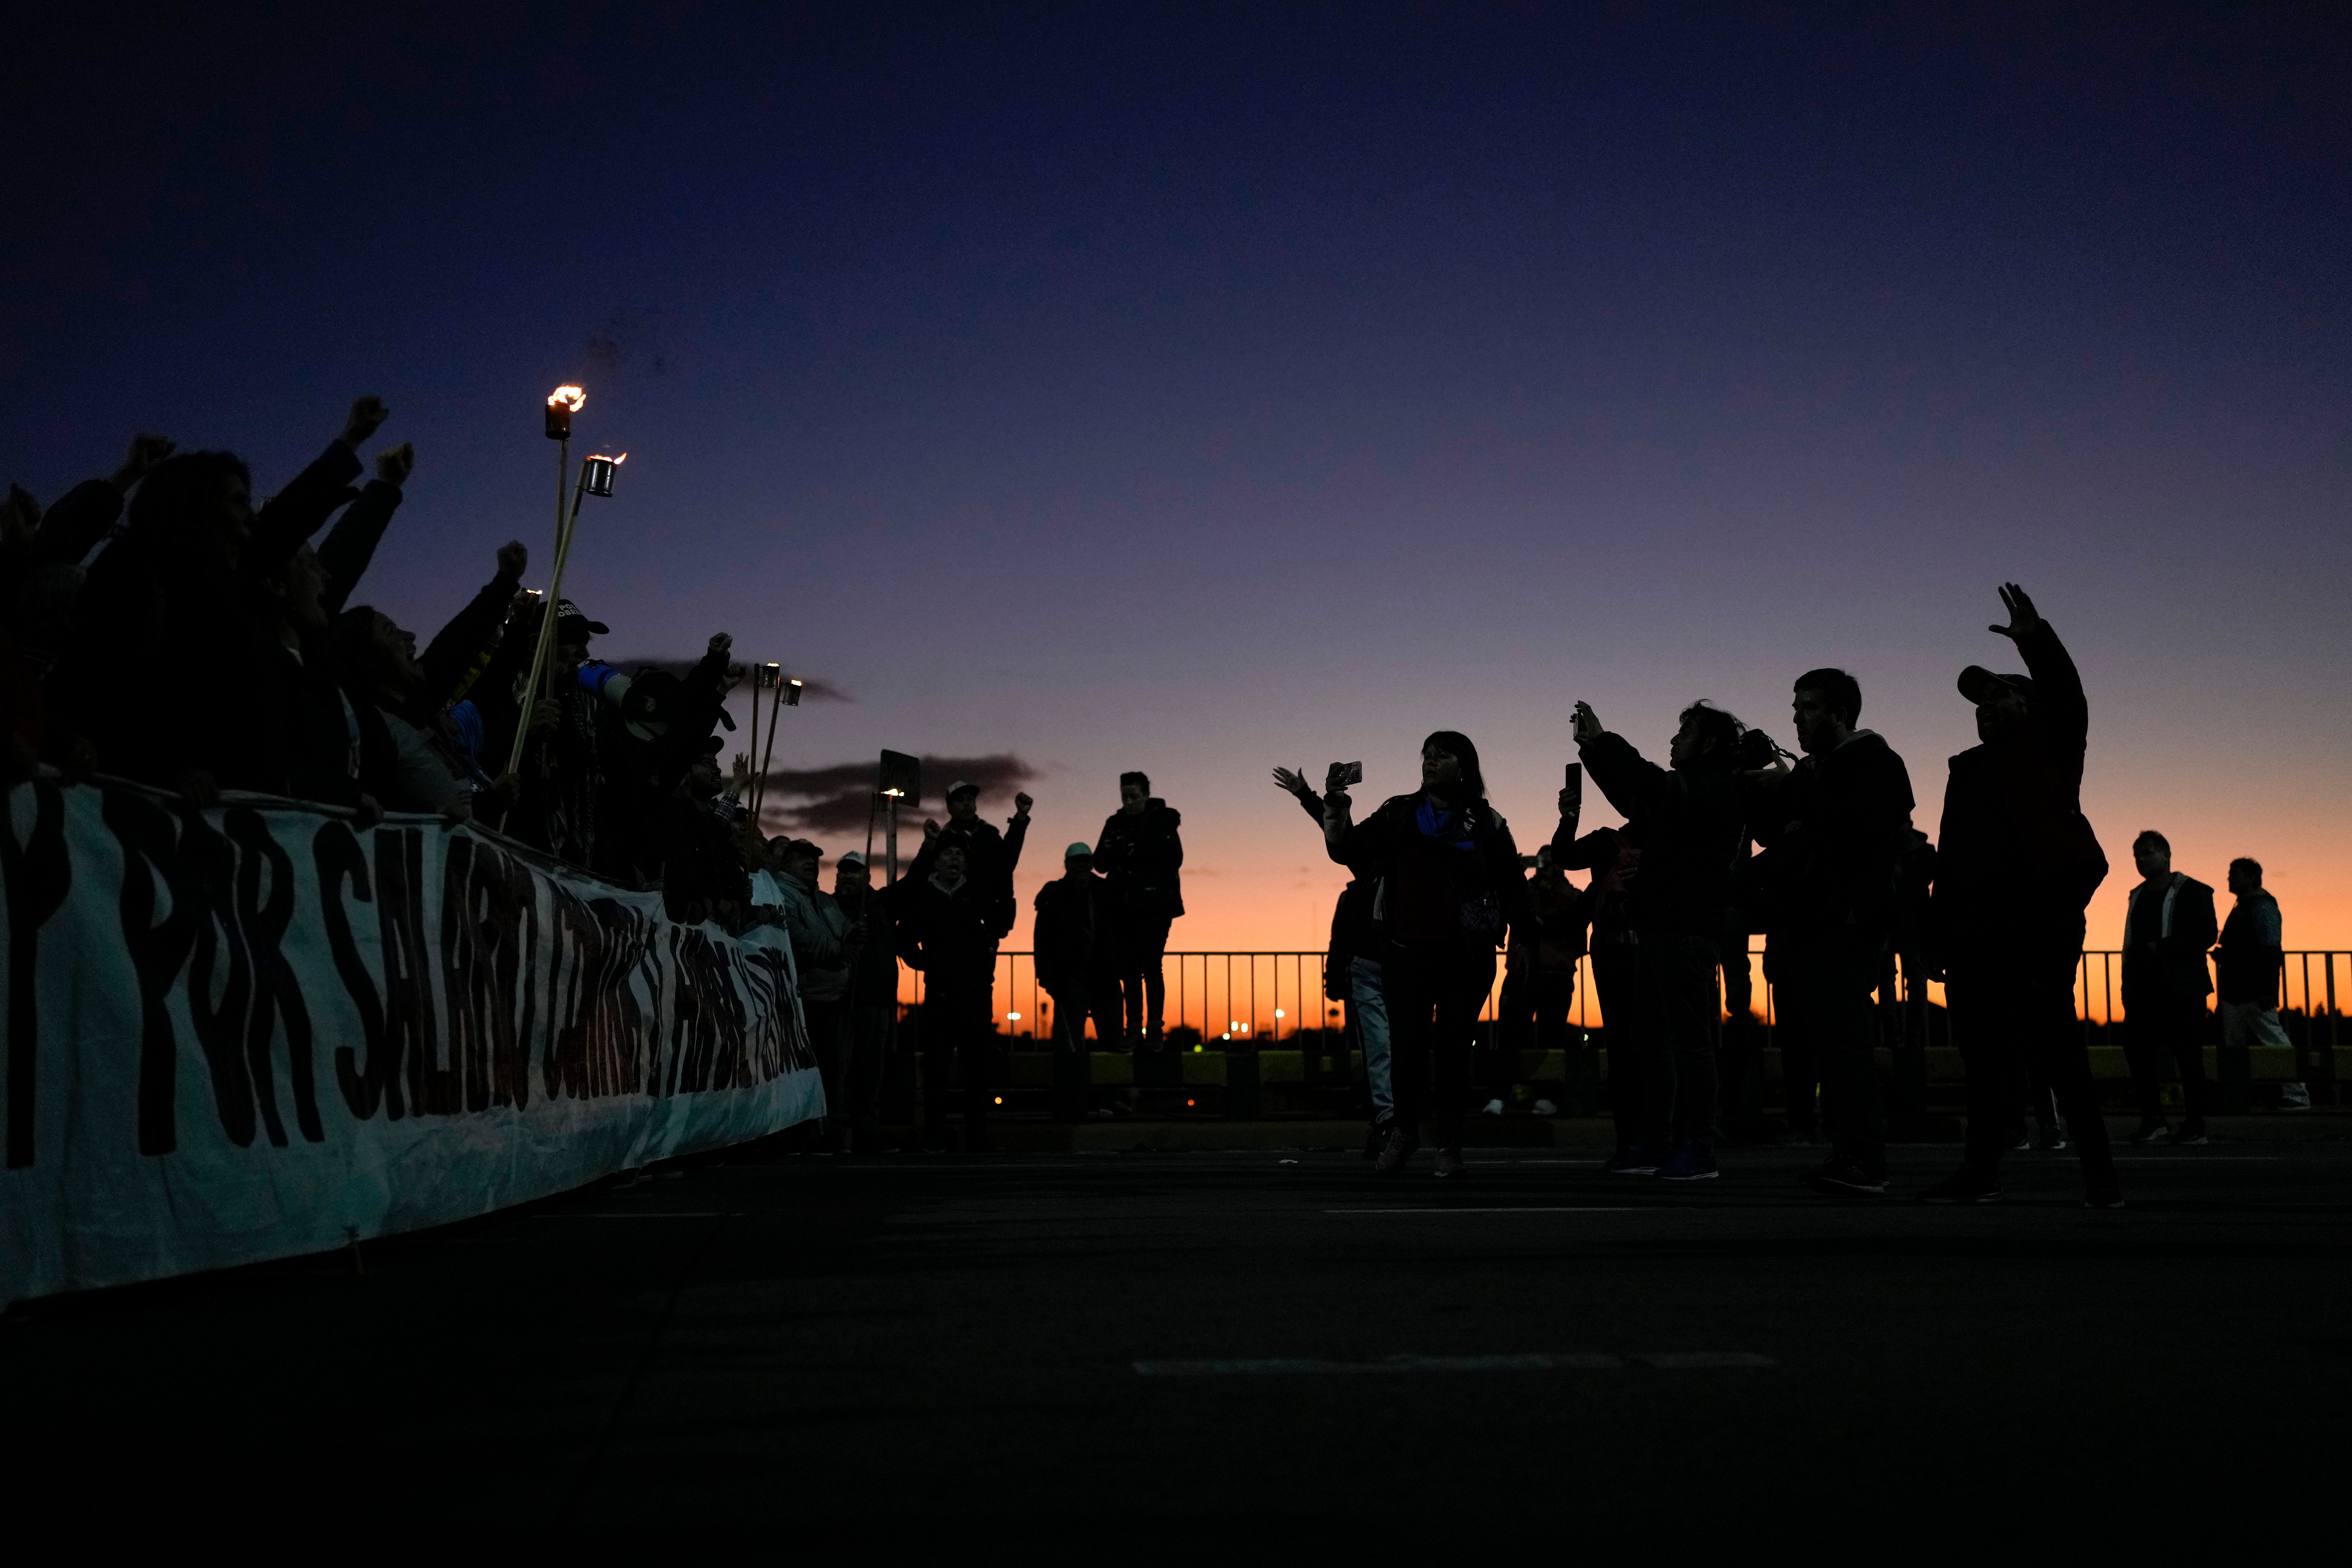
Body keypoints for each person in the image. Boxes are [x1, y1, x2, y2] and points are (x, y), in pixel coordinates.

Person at [1920, 584, 2120, 1207]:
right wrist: (1937, 932)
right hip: (1975, 930)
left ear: (2028, 705)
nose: (1984, 706)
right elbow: (1950, 858)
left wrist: (2035, 640)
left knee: (2057, 1053)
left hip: (2038, 924)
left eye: (1998, 695)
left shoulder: (2052, 745)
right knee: (1984, 1060)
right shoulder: (1967, 770)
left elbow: (2067, 693)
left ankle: (2101, 1179)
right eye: (1979, 699)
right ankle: (1979, 1172)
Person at [1744, 668, 1916, 1197]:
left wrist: (1792, 785)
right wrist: (1760, 784)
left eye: (1810, 707)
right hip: (1812, 923)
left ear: (1840, 713)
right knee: (1829, 1048)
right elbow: (1776, 833)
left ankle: (1866, 1159)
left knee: (1845, 1046)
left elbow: (1857, 828)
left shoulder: (1876, 763)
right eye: (1796, 706)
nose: (1798, 716)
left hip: (1848, 923)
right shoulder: (1818, 769)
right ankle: (1849, 1154)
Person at [1323, 733, 1527, 1178]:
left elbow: (1513, 886)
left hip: (1465, 957)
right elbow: (1348, 851)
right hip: (1405, 954)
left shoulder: (1487, 822)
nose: (1431, 761)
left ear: (1464, 766)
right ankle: (1405, 1132)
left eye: (1443, 754)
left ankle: (1450, 1145)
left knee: (1454, 1051)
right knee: (1407, 1050)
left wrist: (1523, 941)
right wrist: (1336, 806)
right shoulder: (1400, 813)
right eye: (1427, 754)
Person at [1575, 700, 1746, 1182]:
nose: (1673, 740)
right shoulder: (1687, 792)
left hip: (1687, 930)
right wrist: (1593, 751)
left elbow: (1649, 785)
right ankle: (1656, 1143)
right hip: (1661, 929)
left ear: (1708, 742)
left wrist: (1605, 741)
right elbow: (1636, 799)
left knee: (1689, 1043)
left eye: (1683, 732)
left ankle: (1698, 1147)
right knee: (1653, 1041)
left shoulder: (1712, 785)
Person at [1278, 765, 1392, 1152]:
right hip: (1368, 969)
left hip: (1387, 967)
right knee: (1379, 1049)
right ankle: (1385, 1119)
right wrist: (1315, 796)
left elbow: (1345, 837)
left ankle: (1388, 1120)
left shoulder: (1382, 875)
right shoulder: (1364, 880)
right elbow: (1343, 837)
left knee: (1383, 1050)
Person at [898, 841, 1000, 1151]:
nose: (954, 858)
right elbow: (904, 939)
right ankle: (935, 1135)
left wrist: (984, 969)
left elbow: (995, 931)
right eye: (947, 853)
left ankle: (978, 1136)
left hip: (977, 994)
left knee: (978, 1069)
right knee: (937, 1069)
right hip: (941, 995)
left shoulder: (979, 894)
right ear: (936, 862)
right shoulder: (924, 897)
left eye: (959, 854)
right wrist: (929, 965)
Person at [2120, 830, 2218, 1146]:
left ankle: (2194, 1124)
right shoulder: (2136, 894)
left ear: (2166, 855)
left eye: (2147, 853)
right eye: (2137, 855)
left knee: (2188, 1057)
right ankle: (2153, 1120)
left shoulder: (2192, 891)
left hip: (2182, 990)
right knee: (2137, 1054)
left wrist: (2160, 949)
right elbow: (2129, 943)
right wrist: (2127, 985)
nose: (2141, 860)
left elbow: (2206, 934)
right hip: (2143, 992)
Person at [774, 838, 856, 1146]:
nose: (810, 863)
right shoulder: (783, 893)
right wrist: (837, 949)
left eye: (814, 858)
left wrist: (853, 934)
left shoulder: (822, 900)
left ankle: (823, 1132)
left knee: (830, 1070)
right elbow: (795, 935)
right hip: (805, 999)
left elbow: (843, 928)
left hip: (830, 1000)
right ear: (786, 864)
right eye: (802, 858)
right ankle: (803, 1134)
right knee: (807, 1070)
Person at [1096, 771, 1185, 1047]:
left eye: (1134, 796)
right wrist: (1117, 850)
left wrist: (1134, 851)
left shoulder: (1162, 820)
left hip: (1156, 906)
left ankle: (1154, 1029)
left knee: (1150, 966)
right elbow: (1100, 863)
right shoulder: (1115, 823)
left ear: (1147, 795)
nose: (1130, 801)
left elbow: (1175, 858)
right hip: (1123, 906)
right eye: (1125, 797)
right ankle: (1134, 1028)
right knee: (1130, 970)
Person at [2215, 858, 2302, 1109]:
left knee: (2272, 1040)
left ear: (2252, 878)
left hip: (2250, 989)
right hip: (2239, 989)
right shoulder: (2246, 905)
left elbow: (2270, 949)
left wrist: (2267, 989)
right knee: (2247, 1043)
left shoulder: (2260, 906)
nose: (2230, 878)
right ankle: (2240, 1096)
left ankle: (2296, 1094)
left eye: (2235, 874)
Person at [831, 851, 899, 1150]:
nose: (848, 876)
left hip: (877, 1001)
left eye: (855, 872)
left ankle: (866, 1135)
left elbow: (911, 886)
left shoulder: (881, 905)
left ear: (867, 877)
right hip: (845, 1002)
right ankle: (835, 1135)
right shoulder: (830, 906)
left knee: (871, 1073)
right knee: (840, 1071)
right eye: (843, 872)